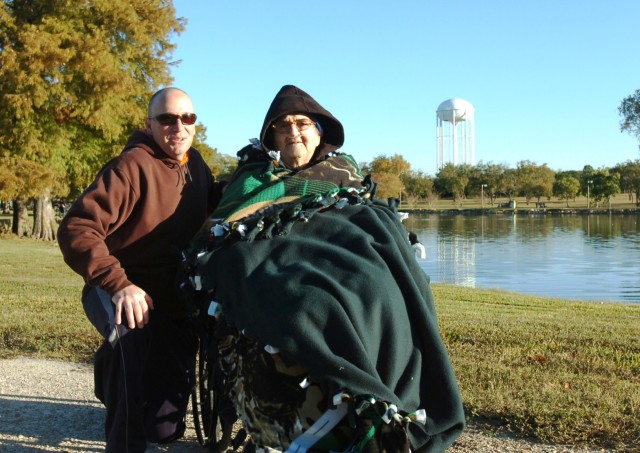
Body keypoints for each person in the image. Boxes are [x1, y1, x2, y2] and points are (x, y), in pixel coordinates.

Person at [182, 85, 465, 453]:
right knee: (302, 303)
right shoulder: (253, 177)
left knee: (378, 290)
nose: (292, 132)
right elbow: (225, 222)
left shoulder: (342, 171)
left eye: (302, 123)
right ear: (271, 136)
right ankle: (293, 427)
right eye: (282, 126)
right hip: (271, 263)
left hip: (343, 257)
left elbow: (365, 221)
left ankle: (380, 409)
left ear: (319, 131)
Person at [58, 87, 223, 452]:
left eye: (187, 118)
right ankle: (124, 442)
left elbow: (217, 202)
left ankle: (110, 380)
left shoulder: (196, 165)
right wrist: (118, 284)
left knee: (163, 430)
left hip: (172, 297)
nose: (177, 126)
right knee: (128, 335)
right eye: (166, 118)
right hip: (121, 286)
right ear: (149, 125)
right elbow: (77, 228)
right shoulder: (130, 166)